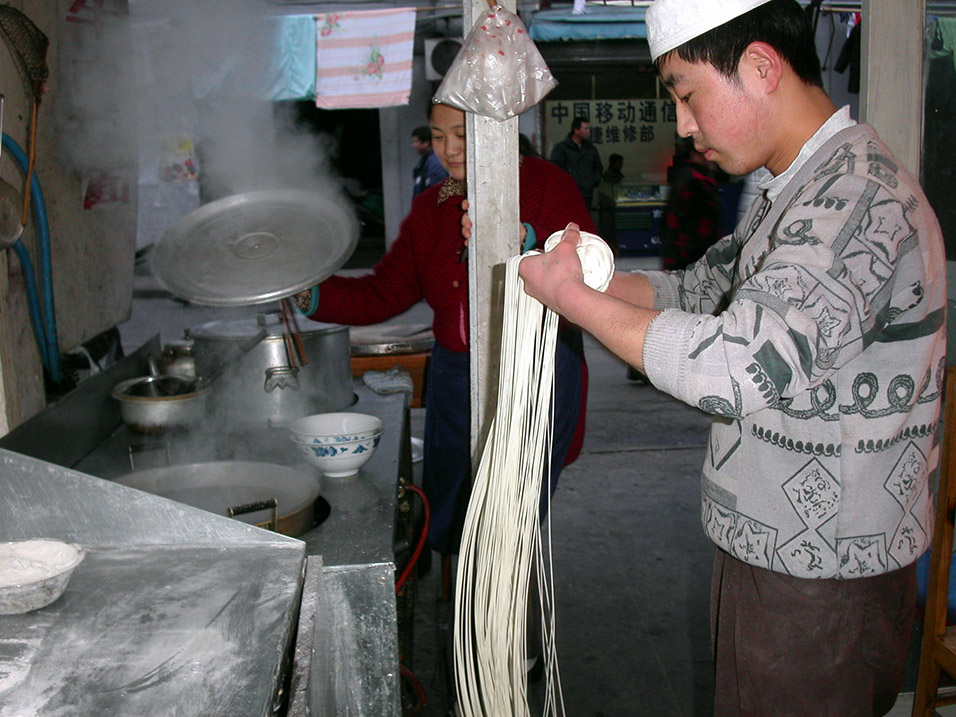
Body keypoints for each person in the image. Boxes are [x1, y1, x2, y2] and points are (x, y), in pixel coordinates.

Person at [518, 1, 947, 714]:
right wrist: (583, 275)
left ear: (760, 66)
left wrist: (574, 302)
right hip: (788, 562)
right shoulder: (804, 189)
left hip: (815, 584)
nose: (683, 124)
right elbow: (696, 289)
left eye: (687, 94)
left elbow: (740, 363)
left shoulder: (853, 201)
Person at [294, 102, 595, 557]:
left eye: (462, 133)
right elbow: (384, 292)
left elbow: (591, 271)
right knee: (454, 512)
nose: (449, 149)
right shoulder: (431, 208)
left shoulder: (548, 186)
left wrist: (525, 241)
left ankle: (506, 618)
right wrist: (305, 290)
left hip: (534, 376)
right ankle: (460, 608)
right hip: (456, 378)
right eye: (438, 135)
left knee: (509, 524)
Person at [659, 136, 723, 270]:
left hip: (681, 253)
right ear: (695, 155)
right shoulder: (697, 180)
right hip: (692, 255)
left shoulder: (686, 176)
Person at [549, 116, 604, 207]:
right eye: (585, 129)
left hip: (586, 193)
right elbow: (555, 169)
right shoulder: (561, 148)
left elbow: (598, 167)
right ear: (576, 130)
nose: (588, 132)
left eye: (588, 129)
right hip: (567, 194)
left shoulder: (591, 149)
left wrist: (592, 182)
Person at [411, 125, 448, 198]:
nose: (413, 145)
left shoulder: (435, 162)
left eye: (416, 141)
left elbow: (436, 192)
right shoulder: (426, 161)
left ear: (426, 143)